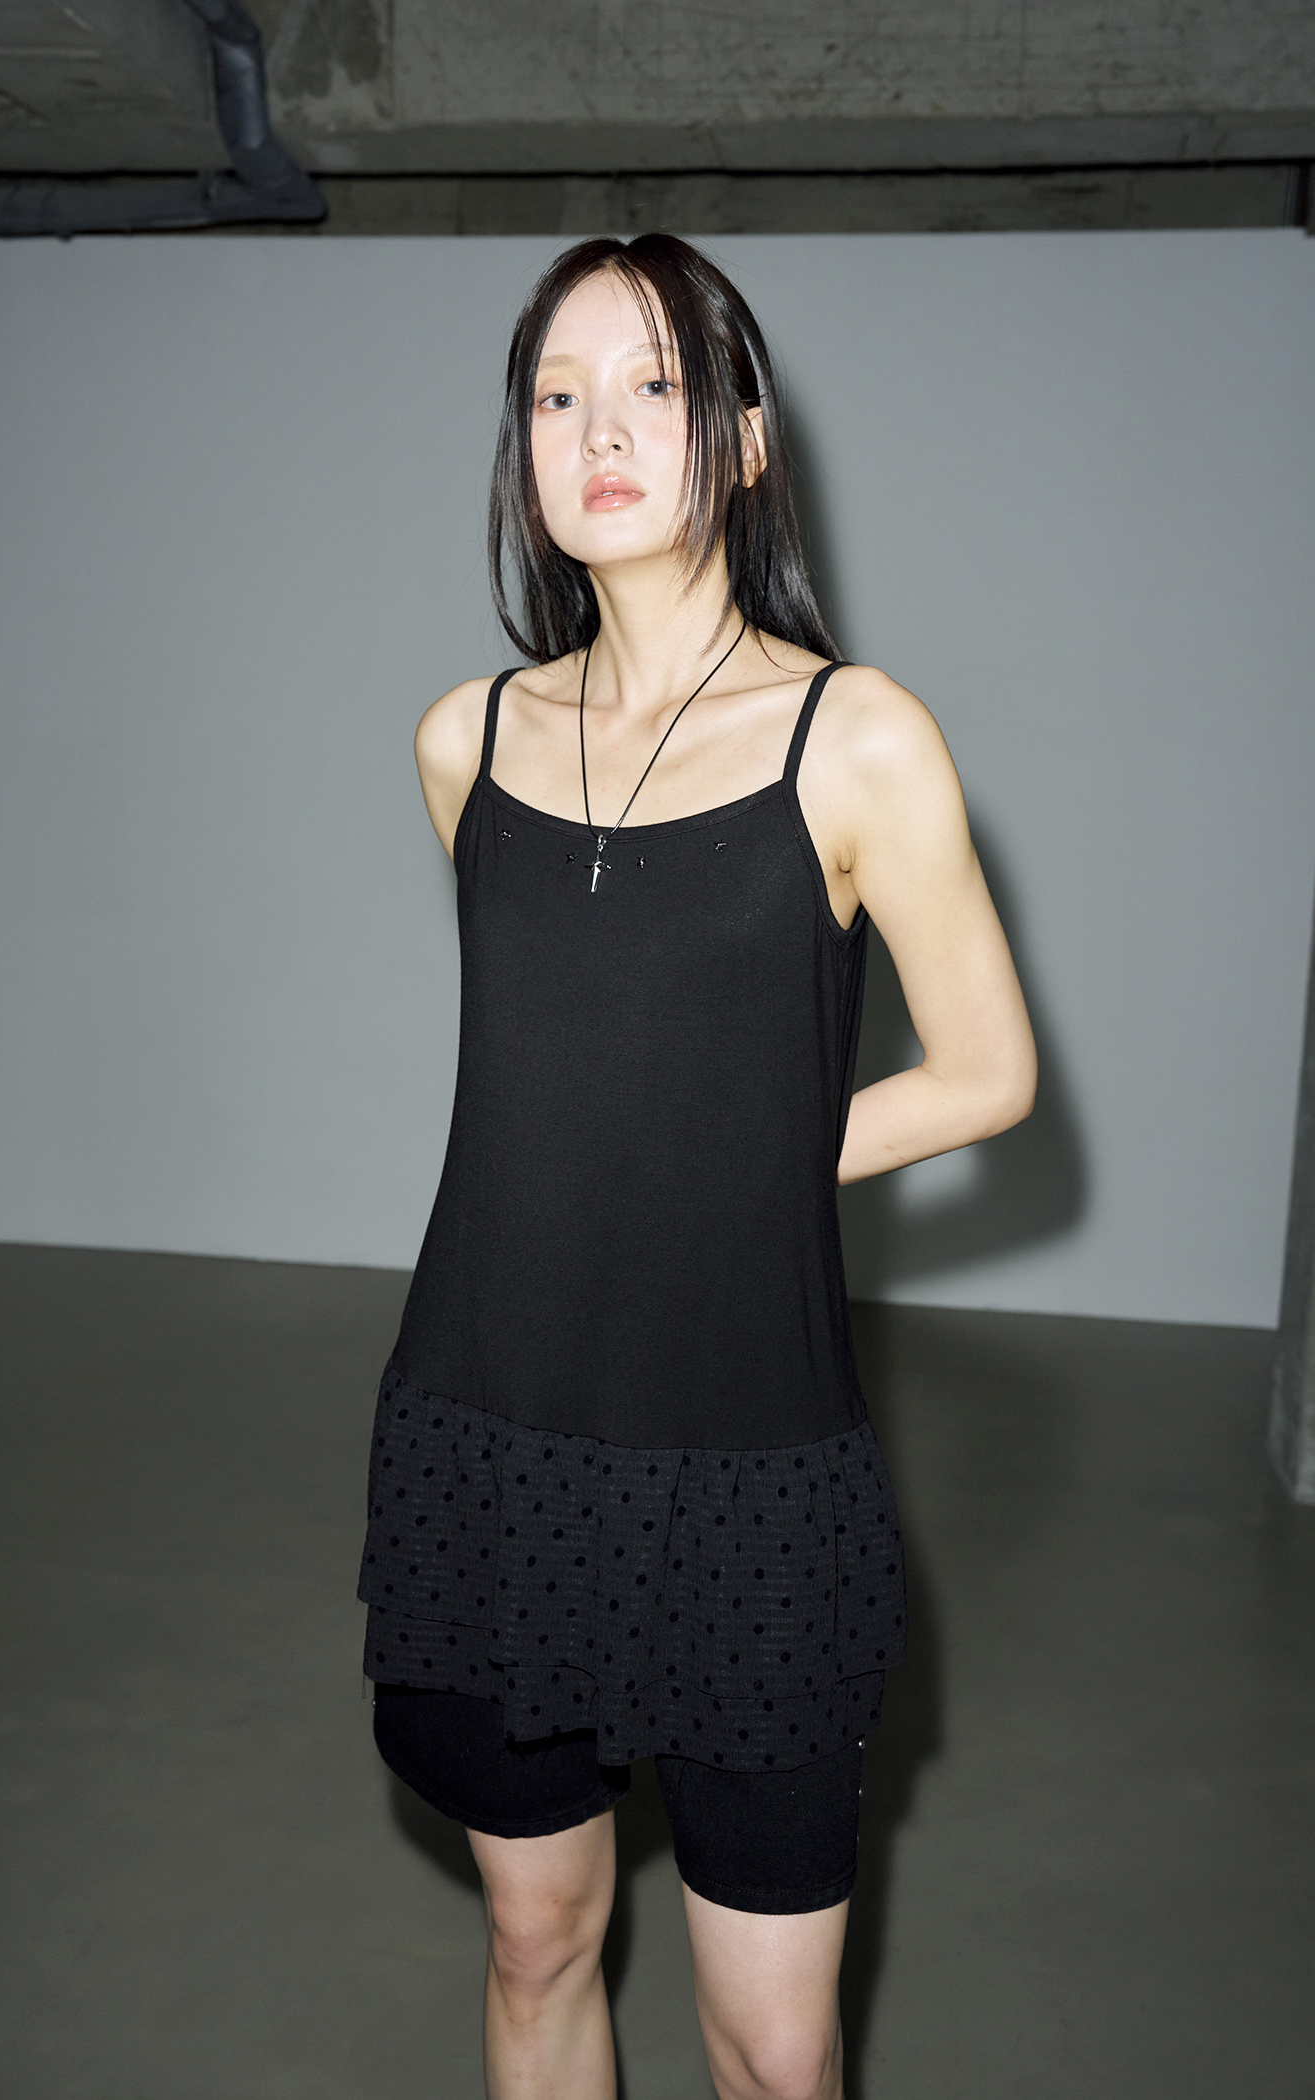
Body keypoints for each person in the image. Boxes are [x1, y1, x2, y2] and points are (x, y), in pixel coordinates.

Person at [358, 232, 1036, 2100]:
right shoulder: (466, 743)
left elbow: (987, 1072)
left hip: (751, 1474)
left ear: (740, 438)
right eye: (556, 392)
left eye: (653, 383)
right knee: (535, 1940)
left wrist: (746, 1160)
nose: (599, 428)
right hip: (491, 1437)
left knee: (775, 2052)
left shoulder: (857, 738)